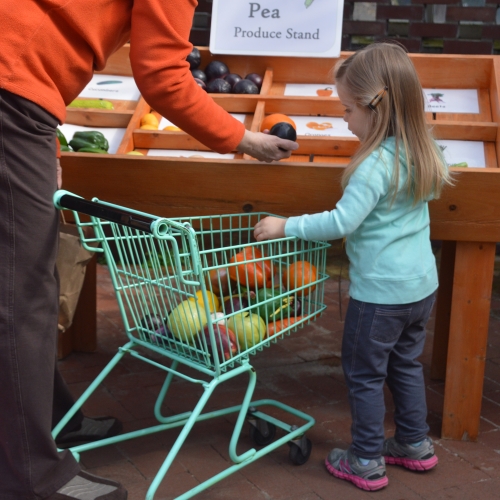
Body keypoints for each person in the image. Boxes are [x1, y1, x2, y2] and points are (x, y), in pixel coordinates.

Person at [0, 1, 298, 499]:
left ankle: (48, 422)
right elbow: (162, 75)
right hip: (13, 95)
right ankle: (30, 476)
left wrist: (43, 142)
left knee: (30, 282)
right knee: (22, 294)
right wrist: (244, 140)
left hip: (18, 92)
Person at [254, 42, 452, 492]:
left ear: (373, 108)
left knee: (364, 375)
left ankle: (365, 459)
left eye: (346, 109)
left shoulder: (374, 166)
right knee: (405, 365)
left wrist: (286, 225)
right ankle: (414, 444)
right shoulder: (425, 151)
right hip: (420, 289)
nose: (343, 118)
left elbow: (341, 222)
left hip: (379, 297)